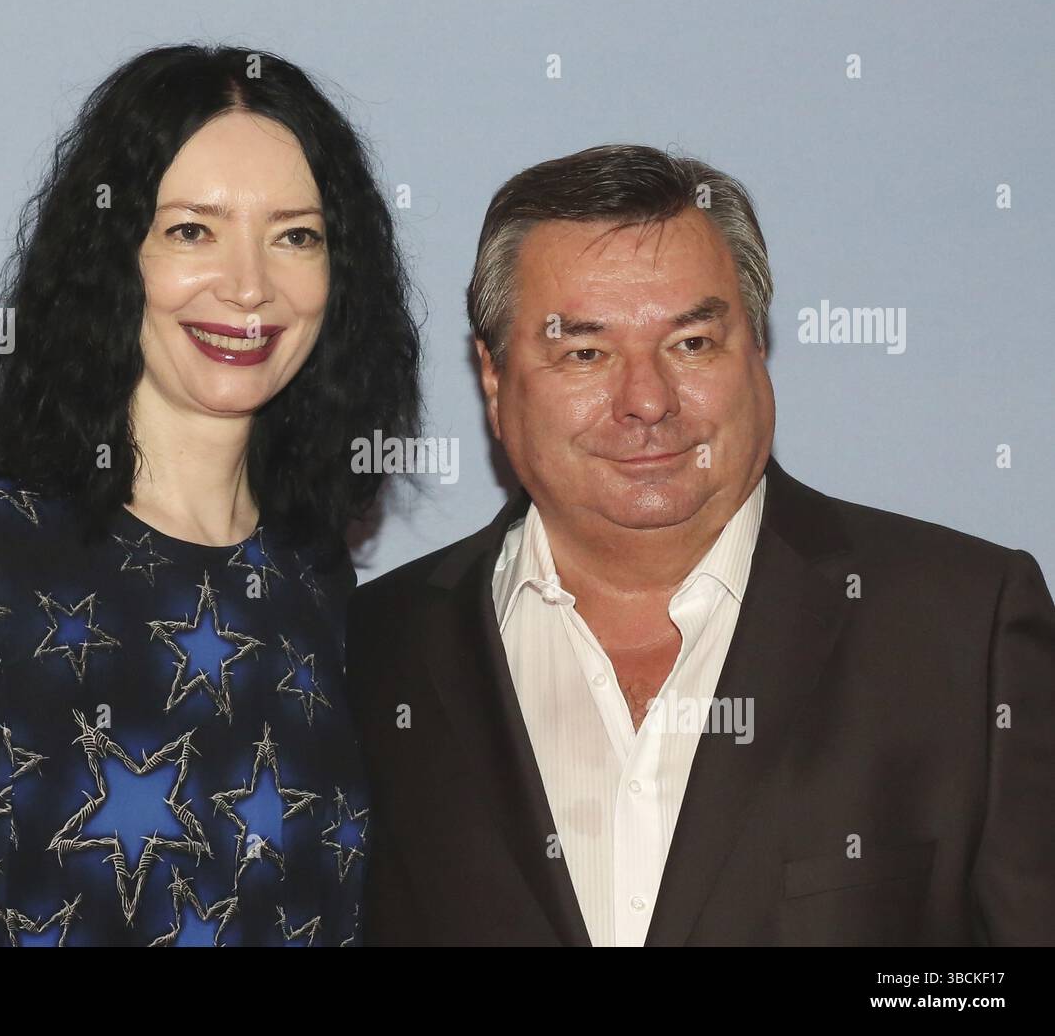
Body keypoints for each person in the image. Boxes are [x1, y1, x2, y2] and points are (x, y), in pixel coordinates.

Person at [345, 144, 1055, 946]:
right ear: (494, 377)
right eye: (585, 352)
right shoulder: (369, 652)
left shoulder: (960, 630)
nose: (647, 400)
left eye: (691, 344)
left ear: (757, 348)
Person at [0, 44, 421, 946]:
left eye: (295, 235)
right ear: (114, 255)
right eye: (193, 230)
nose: (248, 286)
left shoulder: (317, 577)